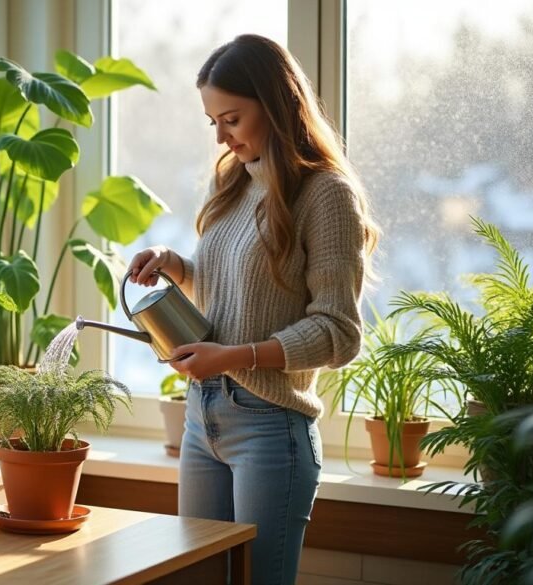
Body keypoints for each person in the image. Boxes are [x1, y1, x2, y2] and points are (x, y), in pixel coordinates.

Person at [127, 34, 379, 585]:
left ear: (276, 103)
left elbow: (339, 333)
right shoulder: (234, 183)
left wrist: (233, 357)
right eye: (213, 122)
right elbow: (241, 288)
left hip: (270, 430)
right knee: (196, 577)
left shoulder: (326, 195)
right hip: (202, 418)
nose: (220, 136)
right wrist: (176, 265)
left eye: (232, 119)